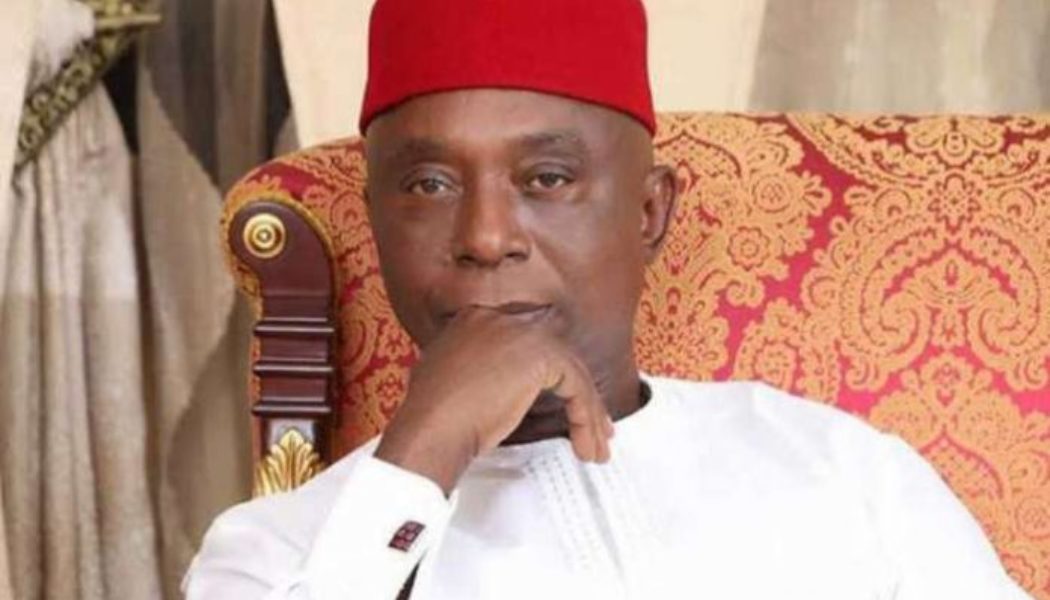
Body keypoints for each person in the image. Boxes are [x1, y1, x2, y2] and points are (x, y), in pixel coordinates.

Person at [183, 1, 1030, 598]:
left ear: (649, 212)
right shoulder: (275, 550)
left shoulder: (842, 472)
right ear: (376, 221)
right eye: (430, 184)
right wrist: (422, 459)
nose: (486, 237)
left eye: (547, 178)